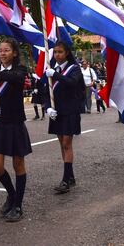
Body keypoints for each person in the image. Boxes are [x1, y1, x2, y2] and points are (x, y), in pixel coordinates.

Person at [0, 38, 32, 222]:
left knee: (18, 164)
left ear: (14, 53)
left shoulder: (19, 70)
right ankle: (11, 194)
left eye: (6, 50)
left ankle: (18, 205)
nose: (2, 53)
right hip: (0, 124)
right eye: (0, 50)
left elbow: (17, 80)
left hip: (15, 123)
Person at [44, 41, 84, 194]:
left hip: (70, 111)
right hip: (57, 112)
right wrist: (48, 107)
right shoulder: (53, 70)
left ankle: (66, 180)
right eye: (55, 52)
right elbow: (47, 92)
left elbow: (72, 83)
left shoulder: (74, 69)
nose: (57, 55)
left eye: (60, 52)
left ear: (66, 53)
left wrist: (55, 75)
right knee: (62, 143)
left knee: (67, 143)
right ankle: (71, 175)